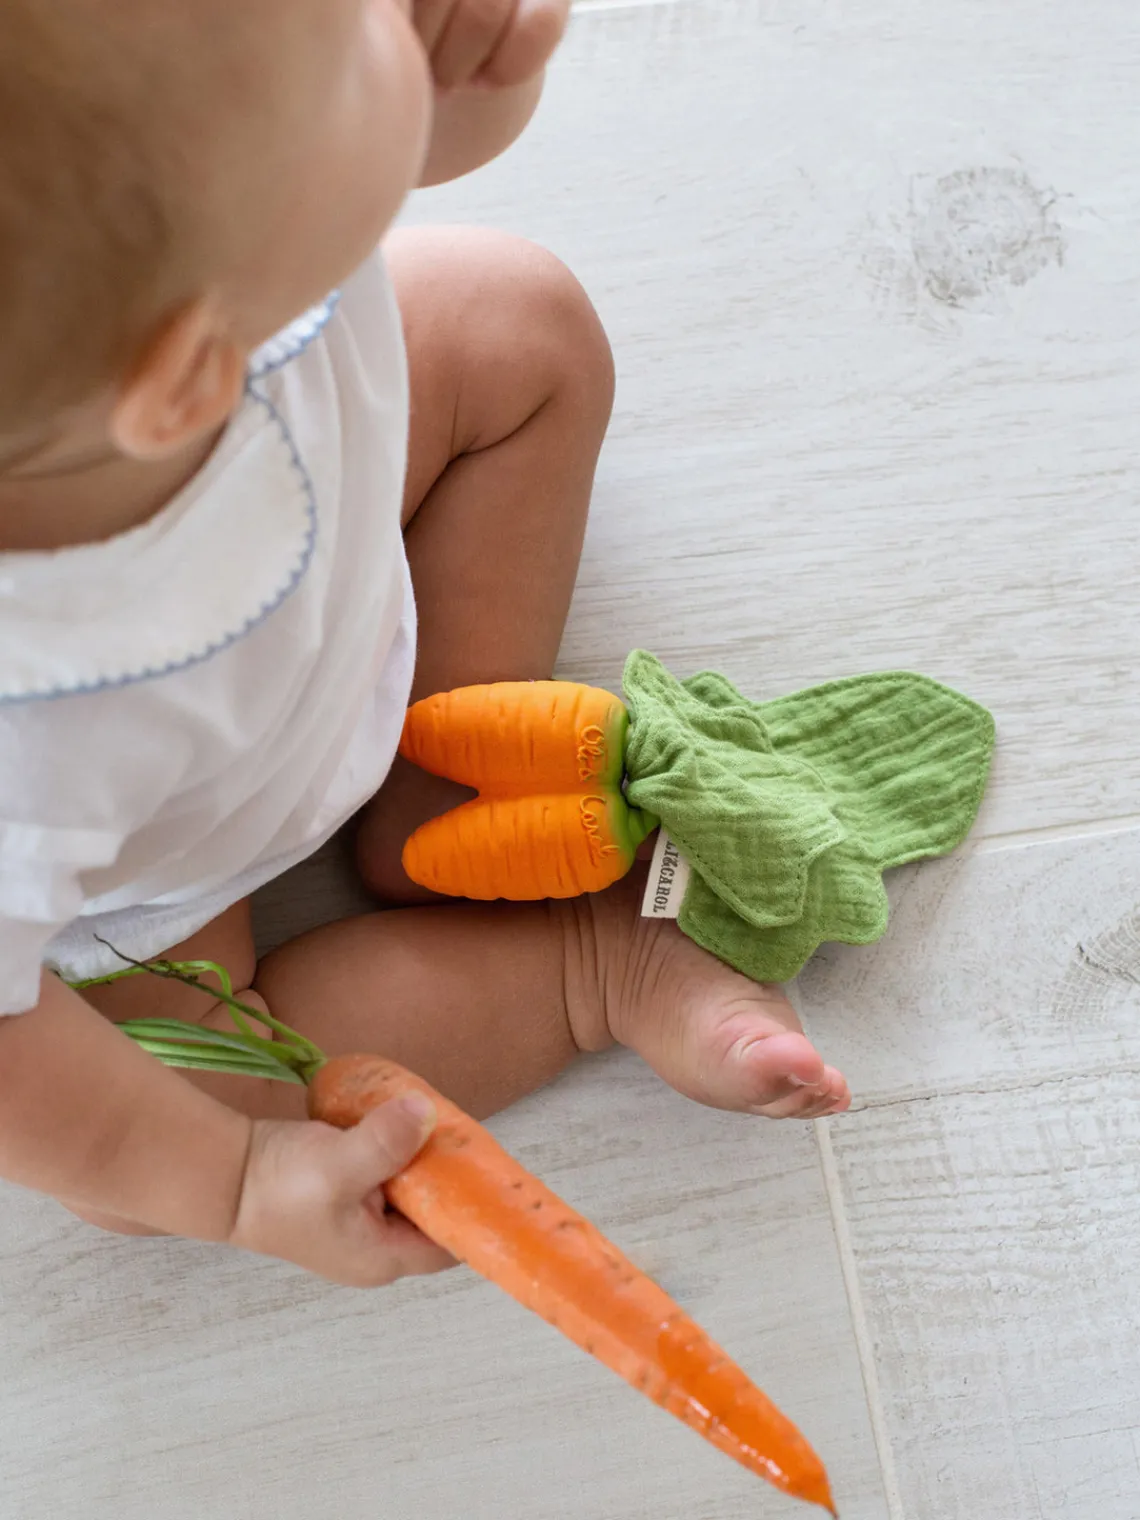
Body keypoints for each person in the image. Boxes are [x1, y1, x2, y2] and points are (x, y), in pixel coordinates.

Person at [0, 0, 849, 1290]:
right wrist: (235, 1187)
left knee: (519, 319)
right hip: (154, 880)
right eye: (348, 44)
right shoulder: (31, 747)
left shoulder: (188, 231)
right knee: (160, 1145)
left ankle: (446, 787)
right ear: (193, 369)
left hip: (337, 570)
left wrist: (472, 59)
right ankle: (587, 964)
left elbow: (424, 135)